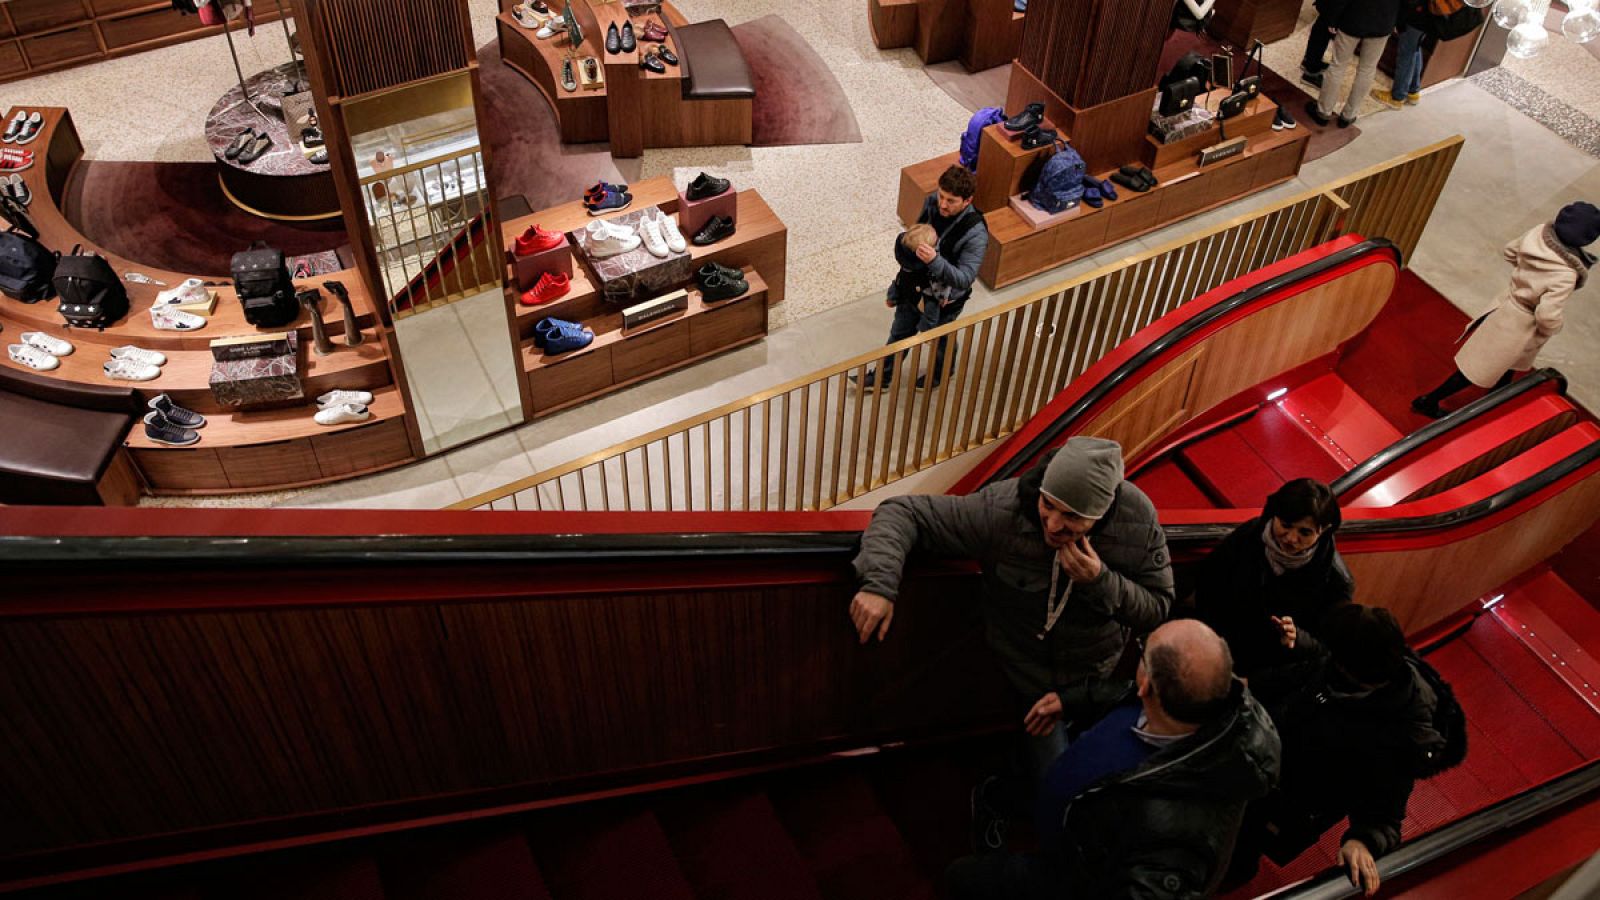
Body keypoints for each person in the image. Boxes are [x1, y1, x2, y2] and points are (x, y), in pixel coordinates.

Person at [850, 437, 1174, 764]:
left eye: (1072, 517)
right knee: (1054, 778)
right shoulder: (1001, 511)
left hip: (1094, 679)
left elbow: (1157, 608)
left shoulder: (1137, 519)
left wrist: (1100, 581)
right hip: (1023, 675)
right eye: (1048, 504)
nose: (1053, 524)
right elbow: (903, 512)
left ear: (1101, 514)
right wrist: (879, 585)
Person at [946, 619, 1282, 900]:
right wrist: (1074, 700)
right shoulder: (1198, 702)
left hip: (1070, 876)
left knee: (962, 879)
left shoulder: (1177, 843)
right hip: (1069, 827)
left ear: (1147, 684)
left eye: (1142, 654)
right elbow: (1125, 692)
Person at [1228, 604, 1452, 897]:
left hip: (1288, 804)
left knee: (1242, 848)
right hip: (1259, 765)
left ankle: (1232, 875)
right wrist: (1245, 685)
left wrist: (1363, 840)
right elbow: (1301, 674)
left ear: (1352, 671)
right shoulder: (1346, 666)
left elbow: (1386, 812)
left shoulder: (1402, 733)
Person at [1413, 201, 1599, 418]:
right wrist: (1553, 327)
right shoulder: (1566, 274)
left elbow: (1509, 251)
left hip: (1506, 305)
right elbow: (1547, 315)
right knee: (1475, 369)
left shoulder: (1538, 234)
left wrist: (1523, 278)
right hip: (1521, 325)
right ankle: (1428, 400)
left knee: (1505, 362)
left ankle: (1498, 396)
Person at [1192, 478, 1353, 678]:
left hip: (1270, 675)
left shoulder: (1335, 580)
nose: (1291, 538)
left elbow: (1330, 648)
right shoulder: (1249, 535)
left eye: (1305, 532)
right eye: (1285, 525)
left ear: (1325, 530)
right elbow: (1209, 586)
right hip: (1219, 650)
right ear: (1274, 515)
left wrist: (1299, 639)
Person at [852, 164, 988, 391]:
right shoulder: (931, 203)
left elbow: (964, 279)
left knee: (939, 340)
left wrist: (934, 260)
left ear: (967, 201)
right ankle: (882, 378)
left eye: (951, 200)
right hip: (914, 286)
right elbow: (916, 234)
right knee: (899, 333)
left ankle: (941, 373)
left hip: (945, 301)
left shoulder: (975, 234)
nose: (942, 204)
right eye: (941, 196)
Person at [1303, 0, 1403, 129]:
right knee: (1367, 69)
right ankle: (1349, 115)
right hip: (1384, 21)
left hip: (1352, 18)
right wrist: (1398, 21)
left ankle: (1323, 111)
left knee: (1337, 65)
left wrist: (1333, 18)